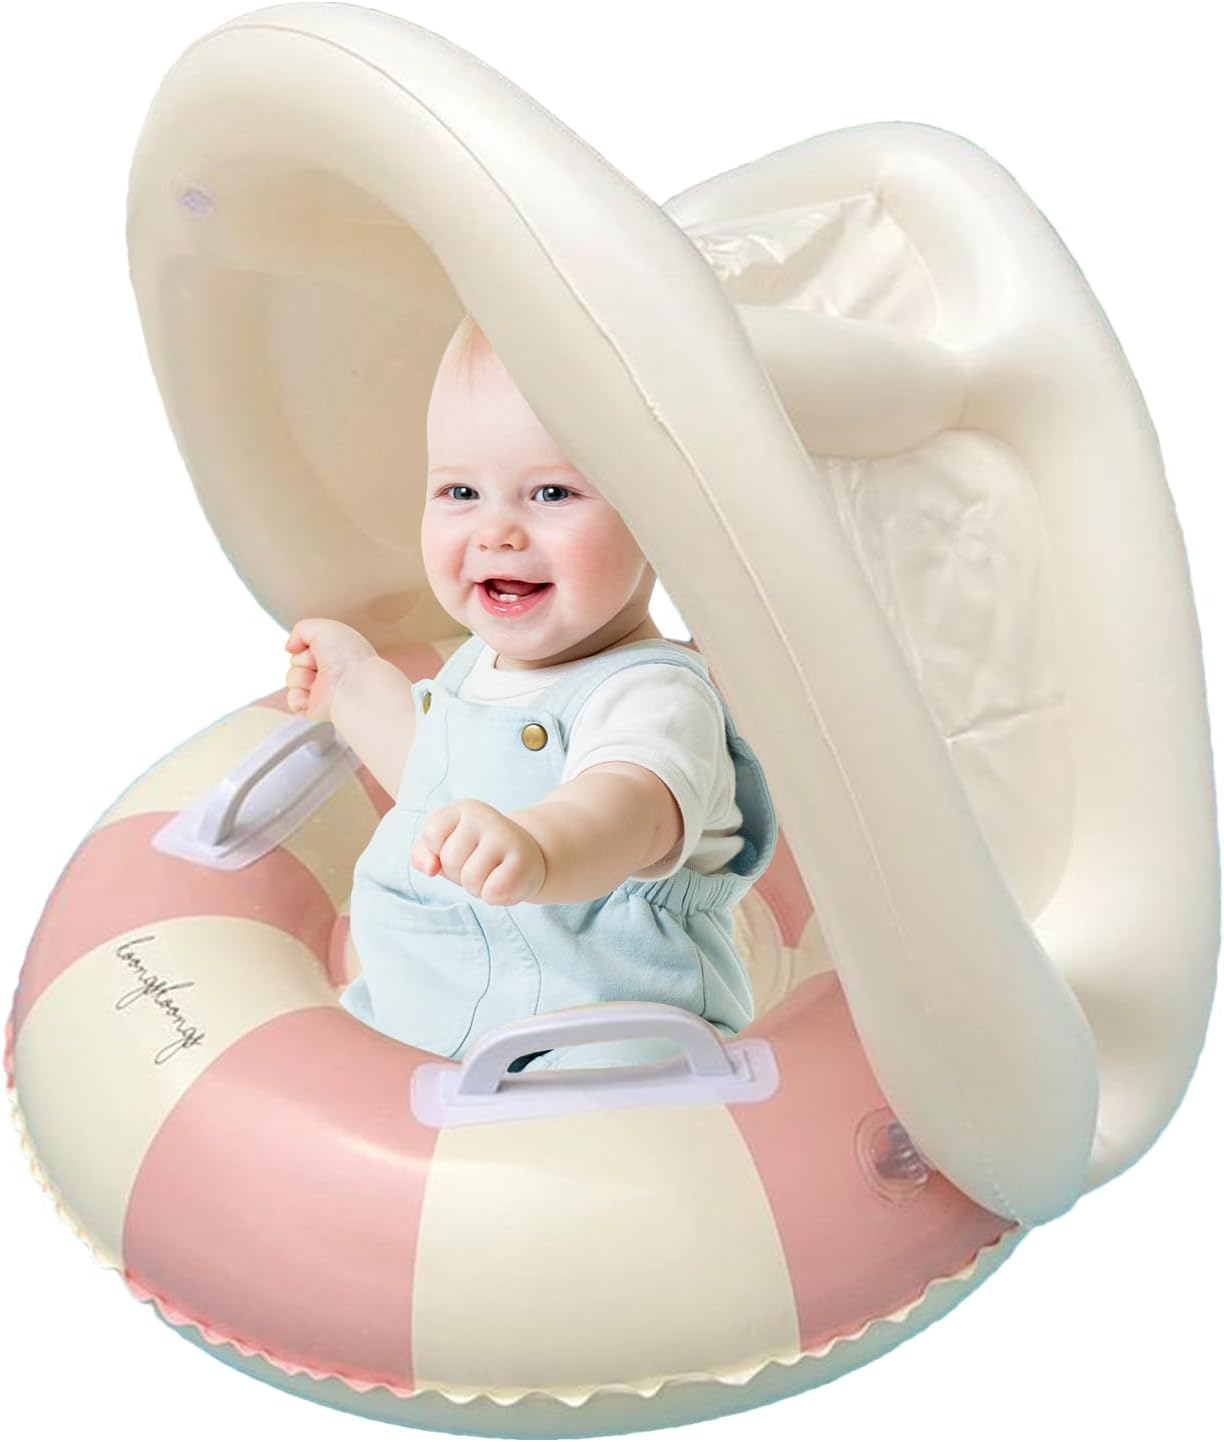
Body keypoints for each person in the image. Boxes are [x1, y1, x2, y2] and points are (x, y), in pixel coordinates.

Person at [283, 314, 777, 1071]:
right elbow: (435, 780)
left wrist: (541, 846)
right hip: (425, 1011)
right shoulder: (480, 666)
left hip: (597, 1031)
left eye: (551, 492)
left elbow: (626, 812)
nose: (497, 532)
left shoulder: (653, 696)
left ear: (663, 519)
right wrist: (353, 686)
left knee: (612, 1088)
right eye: (460, 491)